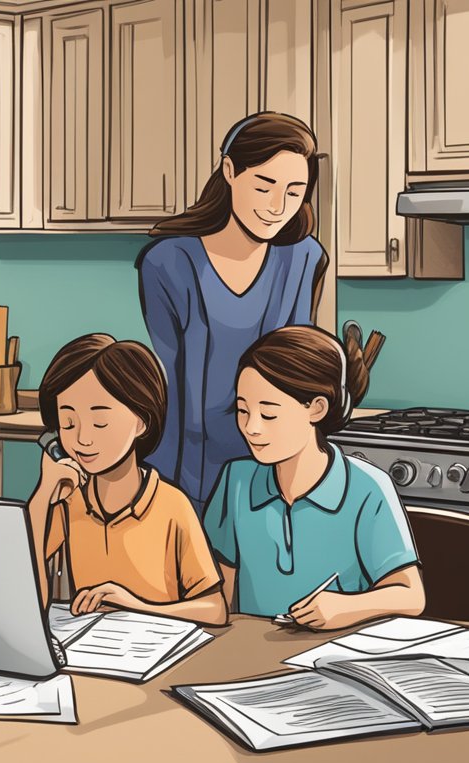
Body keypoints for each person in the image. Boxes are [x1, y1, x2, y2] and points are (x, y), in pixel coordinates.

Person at [138, 112, 341, 506]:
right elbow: (172, 387)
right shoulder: (169, 264)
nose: (278, 207)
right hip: (189, 469)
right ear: (230, 171)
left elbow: (296, 370)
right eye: (264, 187)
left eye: (295, 192)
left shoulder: (303, 258)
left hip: (273, 469)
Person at [203, 326, 425, 629]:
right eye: (243, 411)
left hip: (338, 660)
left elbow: (411, 596)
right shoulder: (236, 481)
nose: (251, 427)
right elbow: (220, 594)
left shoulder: (368, 488)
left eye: (268, 414)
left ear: (316, 409)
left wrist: (345, 607)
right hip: (249, 656)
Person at [28, 334, 227, 626]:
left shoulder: (172, 506)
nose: (83, 439)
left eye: (100, 423)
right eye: (68, 423)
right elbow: (29, 596)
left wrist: (135, 606)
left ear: (141, 421)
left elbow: (215, 609)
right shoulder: (68, 502)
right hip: (91, 653)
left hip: (159, 657)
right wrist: (43, 494)